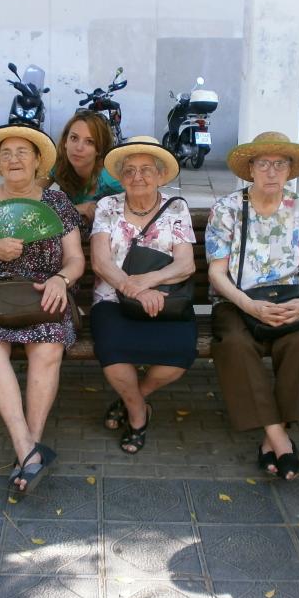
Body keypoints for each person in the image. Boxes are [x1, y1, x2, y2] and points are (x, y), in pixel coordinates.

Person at [0, 125, 84, 493]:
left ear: (38, 160)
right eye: (6, 153)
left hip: (43, 290)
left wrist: (61, 280)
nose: (14, 159)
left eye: (22, 151)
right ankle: (27, 450)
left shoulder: (57, 203)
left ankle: (29, 446)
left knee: (49, 345)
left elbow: (75, 259)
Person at [205, 131, 299, 480]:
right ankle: (279, 437)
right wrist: (249, 305)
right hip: (236, 300)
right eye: (263, 164)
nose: (272, 172)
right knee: (235, 345)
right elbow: (217, 273)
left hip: (289, 299)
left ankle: (270, 437)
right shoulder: (227, 209)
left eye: (280, 164)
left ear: (290, 170)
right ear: (250, 169)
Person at [89, 136, 197, 454]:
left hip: (166, 298)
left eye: (147, 169)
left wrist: (147, 283)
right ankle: (138, 415)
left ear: (160, 175)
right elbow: (100, 262)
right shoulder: (107, 206)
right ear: (121, 177)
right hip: (112, 299)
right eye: (130, 170)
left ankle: (132, 397)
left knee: (178, 358)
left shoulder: (176, 207)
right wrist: (132, 290)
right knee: (113, 353)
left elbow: (186, 264)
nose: (138, 176)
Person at [45, 111, 121, 231]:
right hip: (72, 231)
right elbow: (28, 198)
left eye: (89, 142)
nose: (79, 148)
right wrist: (78, 208)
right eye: (74, 138)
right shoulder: (58, 165)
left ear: (99, 149)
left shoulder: (109, 176)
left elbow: (141, 205)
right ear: (65, 142)